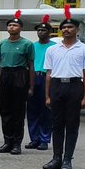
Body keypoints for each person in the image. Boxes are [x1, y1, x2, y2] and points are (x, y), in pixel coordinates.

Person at [42, 8, 85, 169]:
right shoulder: (52, 49)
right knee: (56, 124)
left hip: (74, 86)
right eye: (64, 27)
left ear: (77, 30)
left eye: (70, 27)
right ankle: (56, 158)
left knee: (72, 124)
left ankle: (67, 159)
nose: (66, 29)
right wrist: (47, 96)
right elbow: (49, 74)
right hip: (57, 86)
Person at [0, 11, 34, 155]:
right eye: (10, 25)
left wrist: (31, 86)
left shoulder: (27, 44)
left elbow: (31, 65)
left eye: (15, 25)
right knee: (5, 111)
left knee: (18, 111)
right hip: (5, 75)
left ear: (20, 28)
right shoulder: (1, 43)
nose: (12, 27)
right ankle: (7, 141)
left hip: (20, 75)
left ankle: (17, 143)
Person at [24, 16, 54, 150]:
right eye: (39, 30)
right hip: (33, 77)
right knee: (32, 110)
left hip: (47, 77)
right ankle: (34, 138)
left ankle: (44, 139)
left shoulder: (54, 46)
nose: (41, 32)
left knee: (46, 110)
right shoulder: (32, 46)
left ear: (49, 32)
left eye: (44, 30)